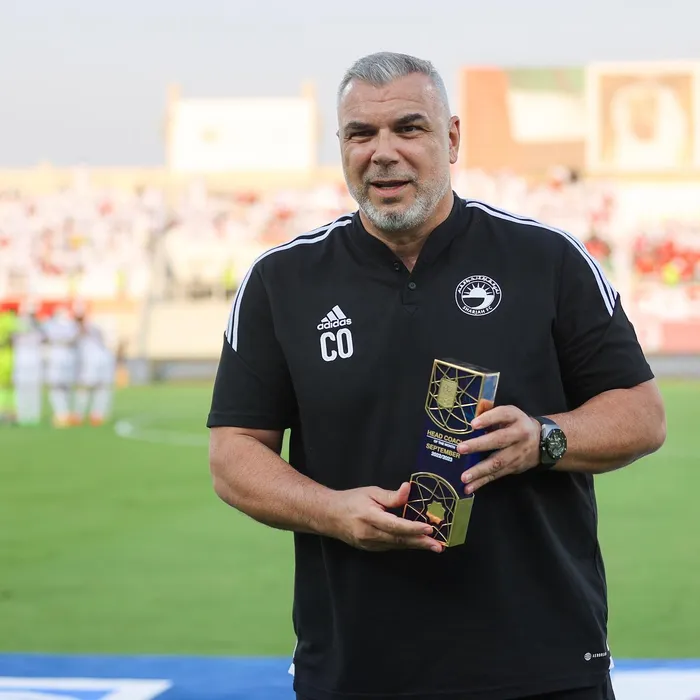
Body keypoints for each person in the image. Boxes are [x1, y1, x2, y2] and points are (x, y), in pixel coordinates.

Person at [206, 52, 666, 700]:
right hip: (357, 670)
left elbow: (643, 414)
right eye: (361, 134)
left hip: (543, 666)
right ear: (341, 146)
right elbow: (233, 454)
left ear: (451, 138)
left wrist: (543, 439)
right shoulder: (281, 282)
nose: (383, 153)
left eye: (408, 128)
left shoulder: (546, 259)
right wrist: (332, 512)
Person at [12, 300, 45, 426]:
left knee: (34, 388)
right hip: (22, 358)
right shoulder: (16, 324)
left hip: (34, 359)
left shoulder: (38, 325)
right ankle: (23, 414)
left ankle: (33, 415)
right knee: (22, 388)